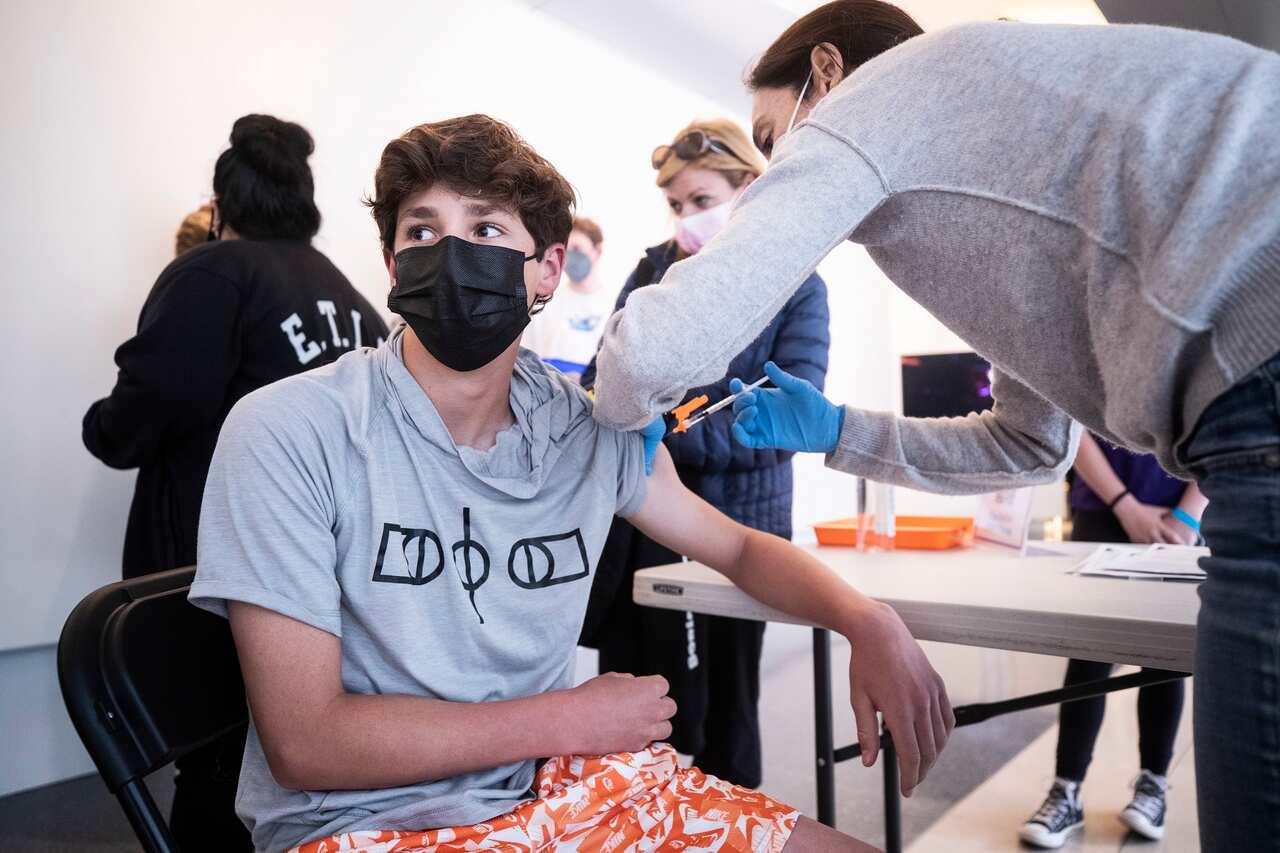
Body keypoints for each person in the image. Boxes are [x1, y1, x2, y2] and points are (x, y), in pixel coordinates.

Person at [587, 4, 1280, 850]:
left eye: (776, 138)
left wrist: (604, 423)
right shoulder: (999, 145)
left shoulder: (877, 98)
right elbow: (1033, 444)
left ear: (829, 72)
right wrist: (836, 429)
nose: (782, 168)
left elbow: (644, 355)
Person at [187, 113, 950, 853]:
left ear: (547, 270)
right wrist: (564, 720)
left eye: (486, 230)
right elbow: (306, 741)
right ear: (392, 266)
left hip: (560, 790)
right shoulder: (290, 430)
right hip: (367, 823)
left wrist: (863, 616)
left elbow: (739, 550)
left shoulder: (586, 431)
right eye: (421, 230)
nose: (450, 252)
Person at [83, 114, 388, 852]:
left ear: (221, 206)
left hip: (216, 575)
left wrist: (100, 422)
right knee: (293, 770)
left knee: (216, 769)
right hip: (338, 574)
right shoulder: (348, 296)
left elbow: (135, 418)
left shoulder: (211, 273)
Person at [578, 118, 830, 789]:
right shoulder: (655, 269)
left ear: (749, 187)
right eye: (677, 205)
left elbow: (782, 421)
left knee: (728, 717)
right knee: (637, 705)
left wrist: (664, 429)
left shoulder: (797, 284)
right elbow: (604, 376)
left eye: (701, 200)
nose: (687, 218)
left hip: (744, 531)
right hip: (652, 524)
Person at [1019, 433, 1207, 848]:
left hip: (1181, 517)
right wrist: (1126, 506)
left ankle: (1153, 785)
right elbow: (1073, 427)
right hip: (1102, 508)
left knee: (1163, 660)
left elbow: (1220, 423)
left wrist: (1189, 517)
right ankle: (1066, 790)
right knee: (1086, 657)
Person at [520, 216, 613, 381]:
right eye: (567, 250)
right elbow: (524, 361)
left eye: (577, 248)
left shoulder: (613, 306)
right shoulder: (543, 302)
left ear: (597, 251)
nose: (571, 257)